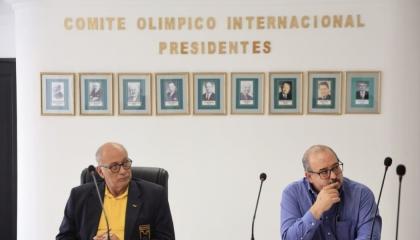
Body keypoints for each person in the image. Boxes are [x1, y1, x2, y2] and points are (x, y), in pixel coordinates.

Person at [57, 142, 175, 240]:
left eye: (126, 163)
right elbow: (64, 237)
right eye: (114, 167)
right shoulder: (79, 196)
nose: (123, 171)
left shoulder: (154, 195)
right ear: (100, 172)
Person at [280, 145, 381, 240]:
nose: (333, 176)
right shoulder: (292, 194)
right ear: (309, 177)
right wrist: (317, 209)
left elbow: (370, 237)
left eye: (335, 167)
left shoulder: (362, 195)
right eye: (324, 172)